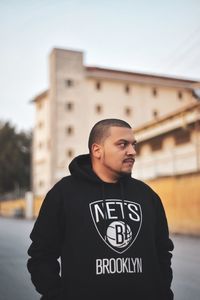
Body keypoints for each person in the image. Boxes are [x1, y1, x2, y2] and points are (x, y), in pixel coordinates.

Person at [27, 118, 174, 300]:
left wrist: (163, 293)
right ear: (97, 150)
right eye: (122, 145)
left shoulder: (146, 196)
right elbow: (41, 255)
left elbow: (163, 252)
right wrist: (55, 295)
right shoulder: (64, 194)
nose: (132, 151)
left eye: (133, 145)